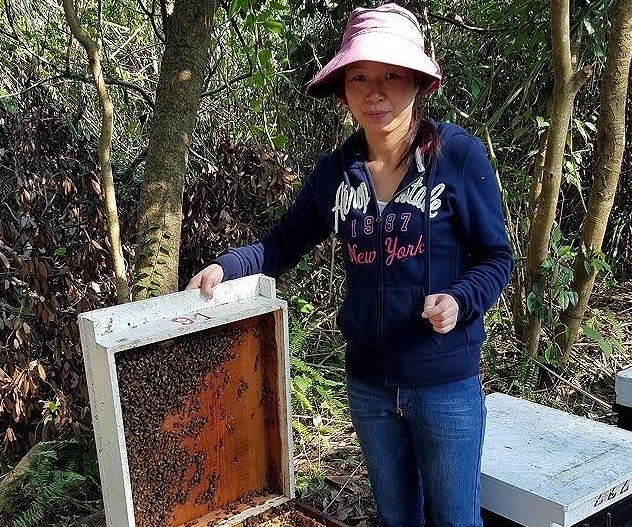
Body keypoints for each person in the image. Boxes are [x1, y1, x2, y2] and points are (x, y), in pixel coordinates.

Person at [187, 3, 513, 527]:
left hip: (444, 383)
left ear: (417, 84)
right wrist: (226, 267)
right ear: (342, 87)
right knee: (396, 519)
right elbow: (281, 244)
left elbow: (496, 257)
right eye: (359, 77)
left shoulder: (457, 157)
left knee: (455, 520)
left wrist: (458, 299)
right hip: (369, 386)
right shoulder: (336, 174)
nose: (374, 91)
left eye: (390, 76)